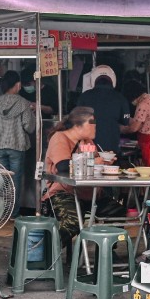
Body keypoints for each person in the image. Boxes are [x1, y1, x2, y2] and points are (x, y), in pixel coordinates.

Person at [43, 107, 123, 249]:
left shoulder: (87, 142)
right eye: (91, 123)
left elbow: (96, 161)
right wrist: (94, 162)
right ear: (79, 126)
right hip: (62, 192)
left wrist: (104, 161)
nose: (95, 126)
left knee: (118, 212)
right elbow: (63, 167)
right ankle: (48, 251)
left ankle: (106, 254)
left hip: (89, 193)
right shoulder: (60, 138)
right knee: (72, 221)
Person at [0, 71, 35, 217]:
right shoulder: (23, 103)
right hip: (17, 146)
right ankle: (13, 213)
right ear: (18, 85)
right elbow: (29, 127)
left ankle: (1, 211)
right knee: (15, 180)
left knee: (2, 179)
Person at [76, 65, 130, 155]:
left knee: (89, 167)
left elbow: (77, 120)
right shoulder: (120, 98)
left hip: (88, 144)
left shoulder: (84, 96)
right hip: (112, 143)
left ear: (93, 80)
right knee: (110, 167)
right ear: (113, 80)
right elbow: (125, 121)